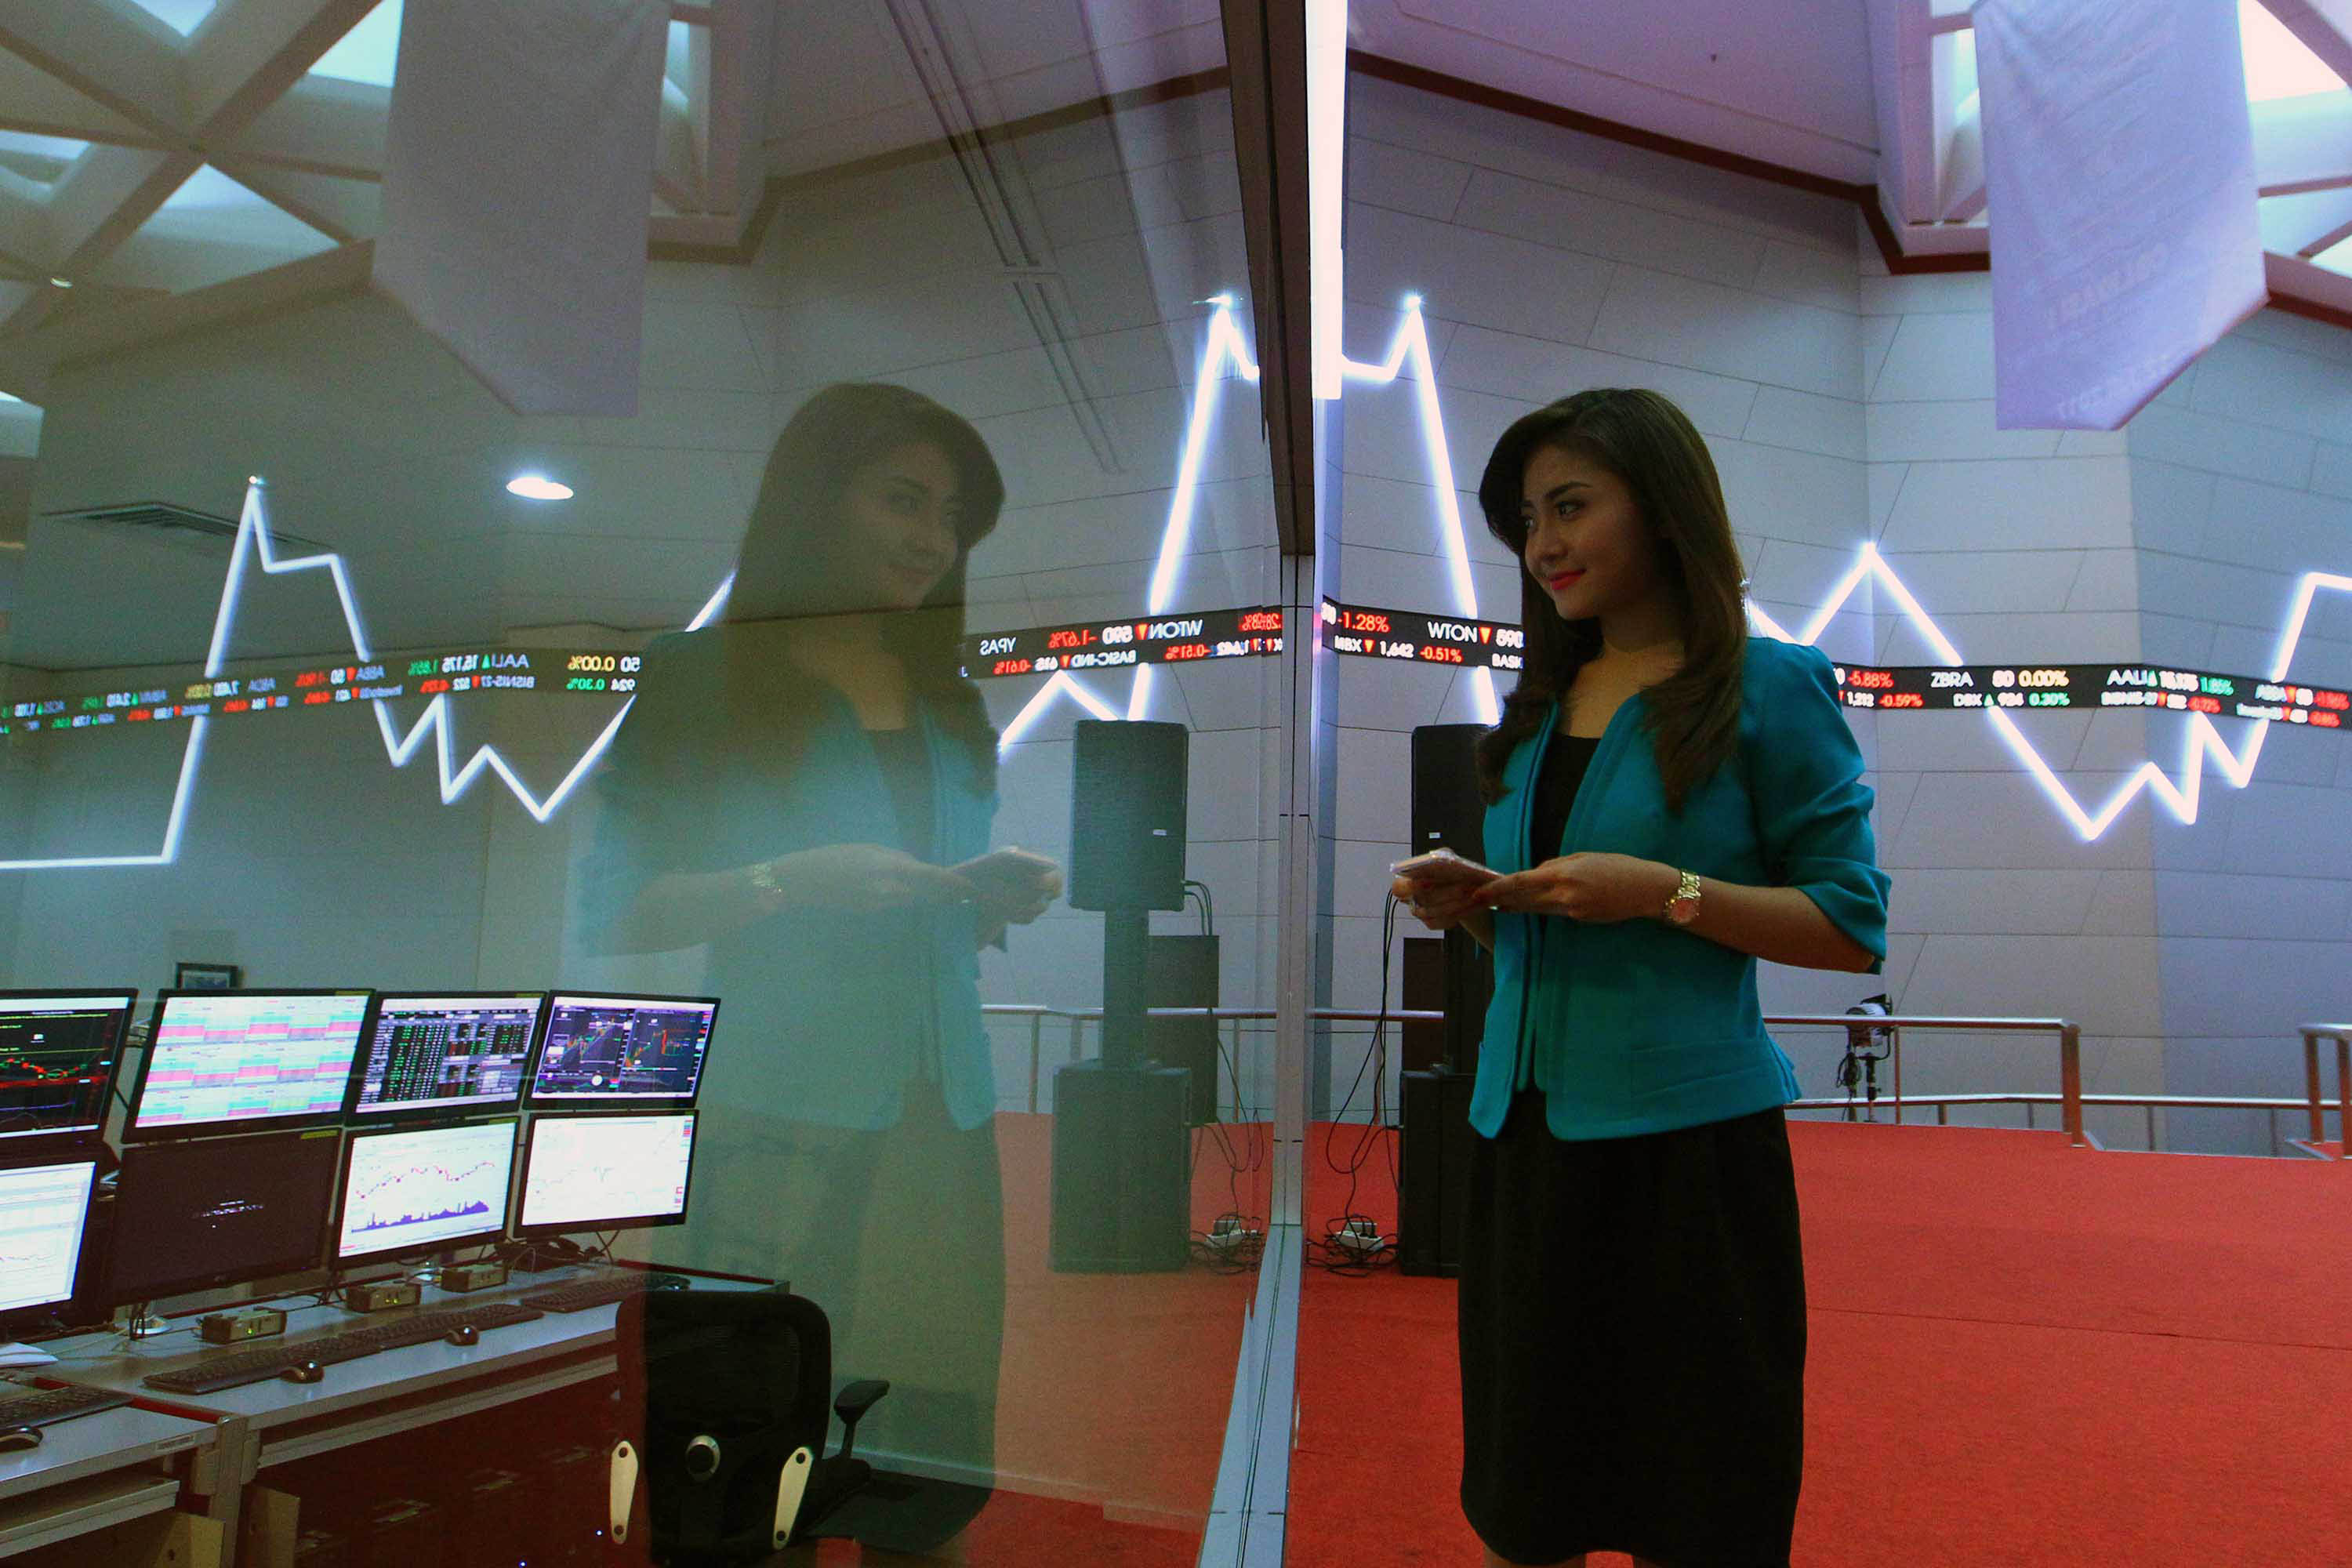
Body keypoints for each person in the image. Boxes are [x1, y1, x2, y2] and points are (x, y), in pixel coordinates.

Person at [1390, 389, 1889, 1568]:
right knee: (1527, 1505)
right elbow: (1557, 935)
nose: (1543, 544)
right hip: (1524, 1147)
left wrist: (1665, 891)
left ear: (1663, 509)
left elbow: (1850, 924)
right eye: (1528, 519)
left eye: (1571, 506)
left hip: (1689, 1162)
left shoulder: (1770, 685)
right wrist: (1479, 909)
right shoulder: (1536, 707)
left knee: (1699, 1507)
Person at [581, 382, 1060, 1560]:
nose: (931, 538)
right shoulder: (703, 678)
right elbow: (615, 909)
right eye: (903, 499)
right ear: (813, 502)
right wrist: (785, 880)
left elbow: (918, 902)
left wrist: (980, 894)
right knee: (746, 1459)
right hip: (772, 1119)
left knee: (925, 1466)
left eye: (950, 516)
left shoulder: (951, 701)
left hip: (941, 1120)